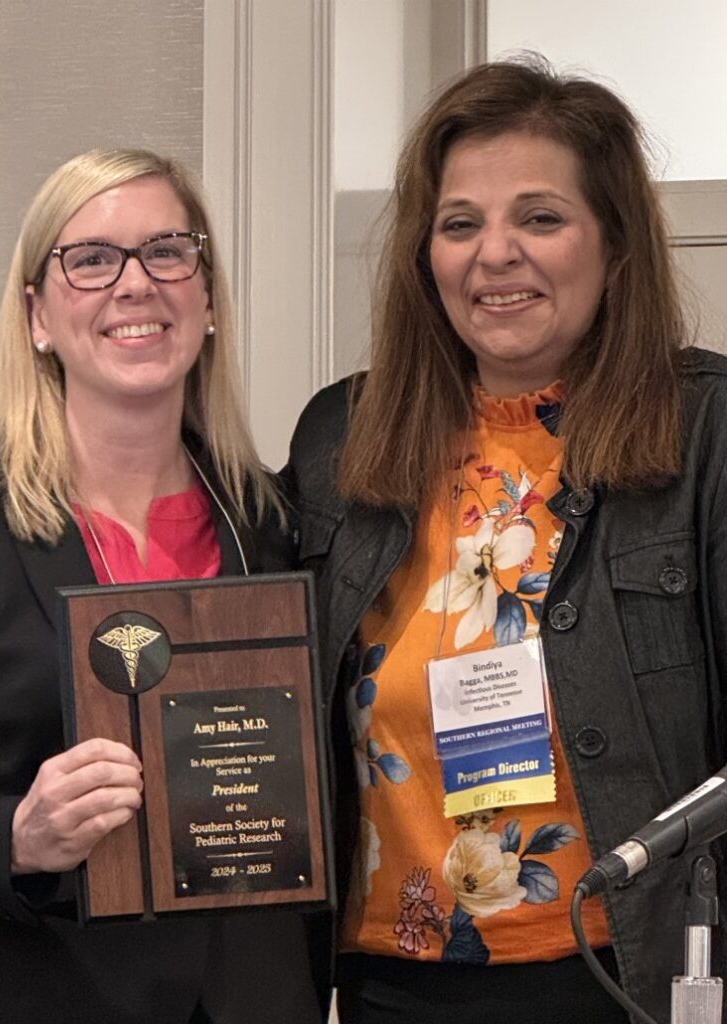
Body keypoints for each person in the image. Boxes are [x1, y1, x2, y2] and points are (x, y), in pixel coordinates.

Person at [284, 57, 727, 1024]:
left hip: (622, 970)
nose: (495, 253)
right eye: (460, 224)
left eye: (539, 217)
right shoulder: (339, 437)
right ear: (425, 257)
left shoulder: (706, 430)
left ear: (611, 245)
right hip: (389, 978)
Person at [0, 149, 326, 1024]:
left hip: (256, 1000)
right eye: (90, 259)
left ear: (207, 301)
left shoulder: (276, 521)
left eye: (168, 251)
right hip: (35, 996)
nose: (135, 284)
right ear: (37, 315)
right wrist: (13, 837)